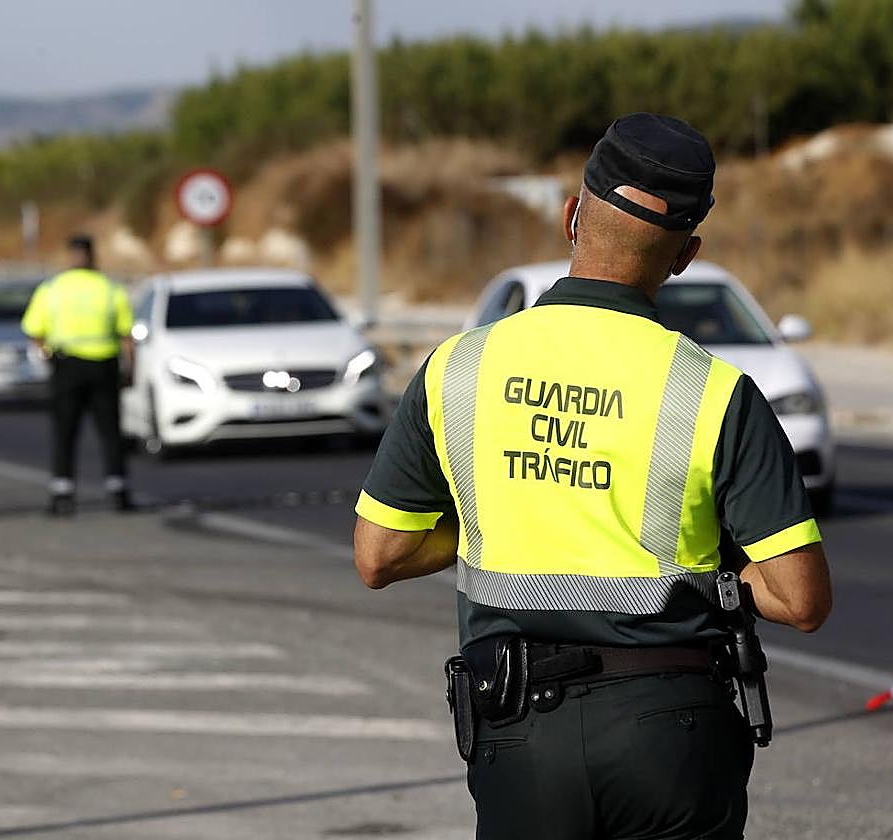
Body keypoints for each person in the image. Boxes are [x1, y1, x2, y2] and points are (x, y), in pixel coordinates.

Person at [352, 113, 832, 840]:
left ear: (570, 215)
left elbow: (378, 554)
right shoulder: (714, 393)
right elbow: (800, 599)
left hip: (519, 731)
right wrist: (725, 578)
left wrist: (499, 518)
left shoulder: (459, 368)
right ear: (685, 255)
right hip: (673, 731)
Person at [21, 234, 134, 515]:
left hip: (67, 366)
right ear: (93, 256)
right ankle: (118, 490)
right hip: (103, 365)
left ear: (69, 256)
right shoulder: (110, 288)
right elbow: (127, 336)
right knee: (110, 431)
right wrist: (130, 368)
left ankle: (63, 494)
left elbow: (34, 332)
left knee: (65, 431)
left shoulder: (53, 289)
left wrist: (49, 357)